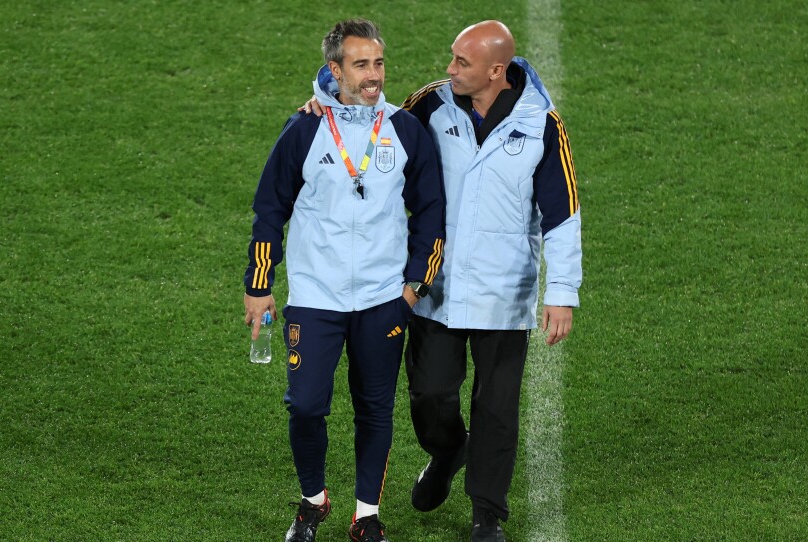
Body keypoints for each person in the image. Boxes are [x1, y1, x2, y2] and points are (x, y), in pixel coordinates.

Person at [302, 20, 581, 542]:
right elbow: (368, 118)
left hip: (505, 292)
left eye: (461, 63)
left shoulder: (542, 124)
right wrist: (322, 94)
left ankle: (487, 515)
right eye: (451, 59)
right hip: (437, 289)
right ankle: (448, 450)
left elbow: (563, 215)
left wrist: (561, 293)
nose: (448, 69)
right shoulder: (430, 104)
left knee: (497, 409)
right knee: (430, 398)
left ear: (496, 72)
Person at [244, 19, 446, 542]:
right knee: (307, 404)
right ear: (335, 70)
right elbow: (270, 209)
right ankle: (313, 502)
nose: (374, 74)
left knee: (374, 408)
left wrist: (414, 286)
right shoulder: (305, 129)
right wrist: (259, 284)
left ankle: (366, 517)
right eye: (361, 65)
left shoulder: (403, 130)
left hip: (383, 299)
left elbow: (431, 211)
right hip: (315, 297)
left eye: (378, 62)